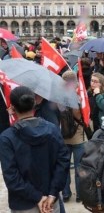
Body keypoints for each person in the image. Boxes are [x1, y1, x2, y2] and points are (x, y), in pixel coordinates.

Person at [0, 86, 70, 213]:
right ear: (34, 104)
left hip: (25, 204)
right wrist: (52, 194)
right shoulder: (52, 129)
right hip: (49, 201)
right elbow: (63, 163)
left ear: (13, 108)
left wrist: (40, 197)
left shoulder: (7, 138)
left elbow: (11, 177)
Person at [61, 71, 86, 203]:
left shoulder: (58, 97)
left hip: (63, 136)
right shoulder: (79, 96)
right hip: (77, 136)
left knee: (64, 166)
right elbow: (81, 116)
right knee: (79, 166)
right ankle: (80, 194)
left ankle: (65, 193)